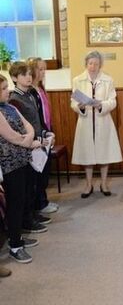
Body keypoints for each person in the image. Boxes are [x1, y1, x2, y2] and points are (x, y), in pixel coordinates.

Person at [0, 73, 41, 263]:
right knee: (15, 204)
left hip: (22, 159)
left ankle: (19, 237)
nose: (7, 91)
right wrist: (29, 142)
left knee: (23, 198)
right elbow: (11, 136)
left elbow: (27, 126)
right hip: (9, 164)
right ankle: (15, 245)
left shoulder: (9, 108)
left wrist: (29, 138)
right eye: (2, 89)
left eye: (6, 87)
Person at [71, 51, 123, 198]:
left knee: (104, 152)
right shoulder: (78, 80)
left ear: (100, 65)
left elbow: (113, 101)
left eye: (96, 63)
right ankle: (88, 184)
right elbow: (73, 102)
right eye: (90, 63)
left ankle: (104, 183)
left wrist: (101, 104)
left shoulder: (108, 80)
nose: (93, 66)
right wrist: (80, 106)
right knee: (87, 153)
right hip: (86, 121)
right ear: (86, 64)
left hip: (102, 120)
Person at [9, 61, 48, 234]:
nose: (29, 77)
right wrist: (32, 141)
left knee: (34, 183)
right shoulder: (15, 100)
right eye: (24, 75)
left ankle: (33, 214)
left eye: (29, 74)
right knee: (27, 187)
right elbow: (20, 127)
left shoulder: (31, 94)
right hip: (27, 146)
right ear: (15, 78)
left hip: (38, 142)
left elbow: (37, 119)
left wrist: (45, 134)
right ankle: (27, 220)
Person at [27, 57, 58, 216]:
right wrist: (43, 133)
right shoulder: (31, 90)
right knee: (39, 172)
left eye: (44, 68)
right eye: (40, 69)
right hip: (38, 135)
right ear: (32, 71)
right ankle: (40, 203)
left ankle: (43, 200)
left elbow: (46, 113)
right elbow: (35, 116)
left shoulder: (41, 88)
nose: (43, 72)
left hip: (46, 131)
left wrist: (50, 130)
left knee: (45, 170)